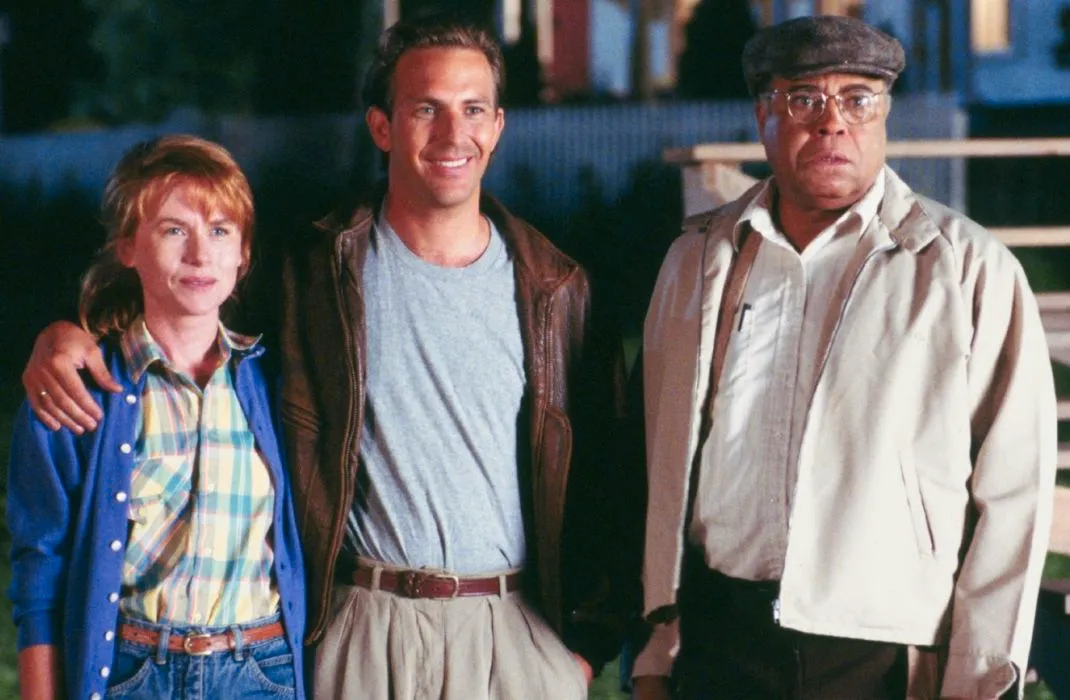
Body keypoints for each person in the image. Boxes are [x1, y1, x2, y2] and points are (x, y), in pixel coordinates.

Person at [21, 12, 630, 700]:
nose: (453, 133)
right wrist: (66, 336)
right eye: (425, 108)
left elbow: (613, 478)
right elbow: (187, 306)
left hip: (514, 633)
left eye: (473, 109)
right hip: (364, 627)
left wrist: (583, 651)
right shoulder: (310, 270)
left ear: (497, 126)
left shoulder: (557, 289)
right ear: (381, 126)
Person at [630, 16, 1056, 700]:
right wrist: (657, 648)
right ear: (763, 113)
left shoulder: (969, 270)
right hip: (720, 640)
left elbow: (1014, 499)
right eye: (804, 98)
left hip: (878, 653)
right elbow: (661, 462)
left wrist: (980, 679)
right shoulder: (698, 260)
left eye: (858, 100)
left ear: (884, 115)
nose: (833, 124)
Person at [8, 135, 307, 700]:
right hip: (133, 673)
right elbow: (39, 572)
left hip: (260, 673)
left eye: (220, 231)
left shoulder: (279, 384)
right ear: (127, 246)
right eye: (174, 230)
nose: (200, 255)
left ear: (243, 253)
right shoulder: (76, 390)